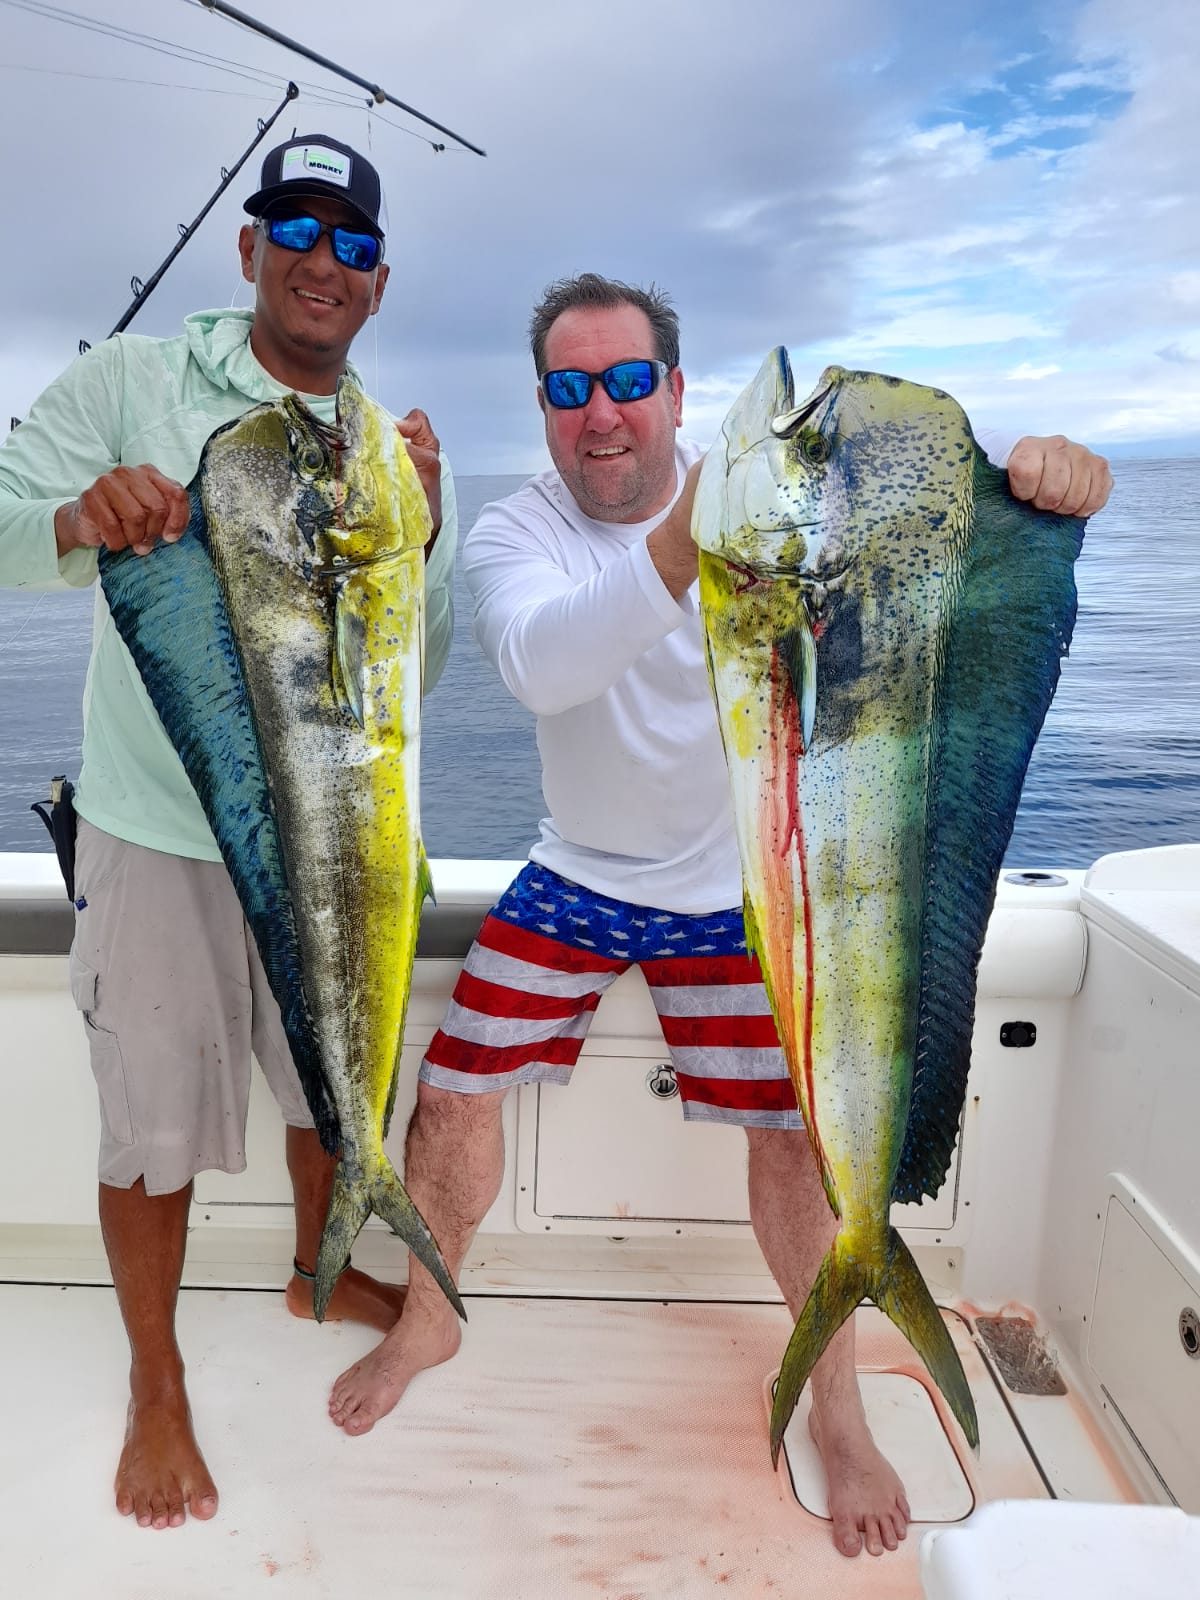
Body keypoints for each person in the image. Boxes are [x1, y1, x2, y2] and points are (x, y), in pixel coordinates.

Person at [325, 272, 1112, 1557]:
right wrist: (693, 536)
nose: (602, 412)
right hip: (579, 875)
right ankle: (429, 1316)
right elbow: (538, 665)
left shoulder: (785, 516)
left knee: (799, 1143)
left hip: (742, 891)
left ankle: (834, 1400)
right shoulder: (514, 532)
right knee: (452, 1090)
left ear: (678, 392)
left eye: (629, 381)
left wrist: (1044, 487)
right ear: (543, 405)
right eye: (570, 387)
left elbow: (940, 567)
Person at [0, 134, 457, 1531]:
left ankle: (321, 1265)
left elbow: (420, 679)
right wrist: (75, 517)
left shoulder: (391, 447)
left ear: (379, 283)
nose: (324, 261)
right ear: (250, 248)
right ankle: (157, 1378)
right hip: (160, 838)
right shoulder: (132, 382)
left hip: (337, 840)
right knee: (153, 1129)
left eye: (352, 244)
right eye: (295, 231)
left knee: (334, 1091)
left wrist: (425, 541)